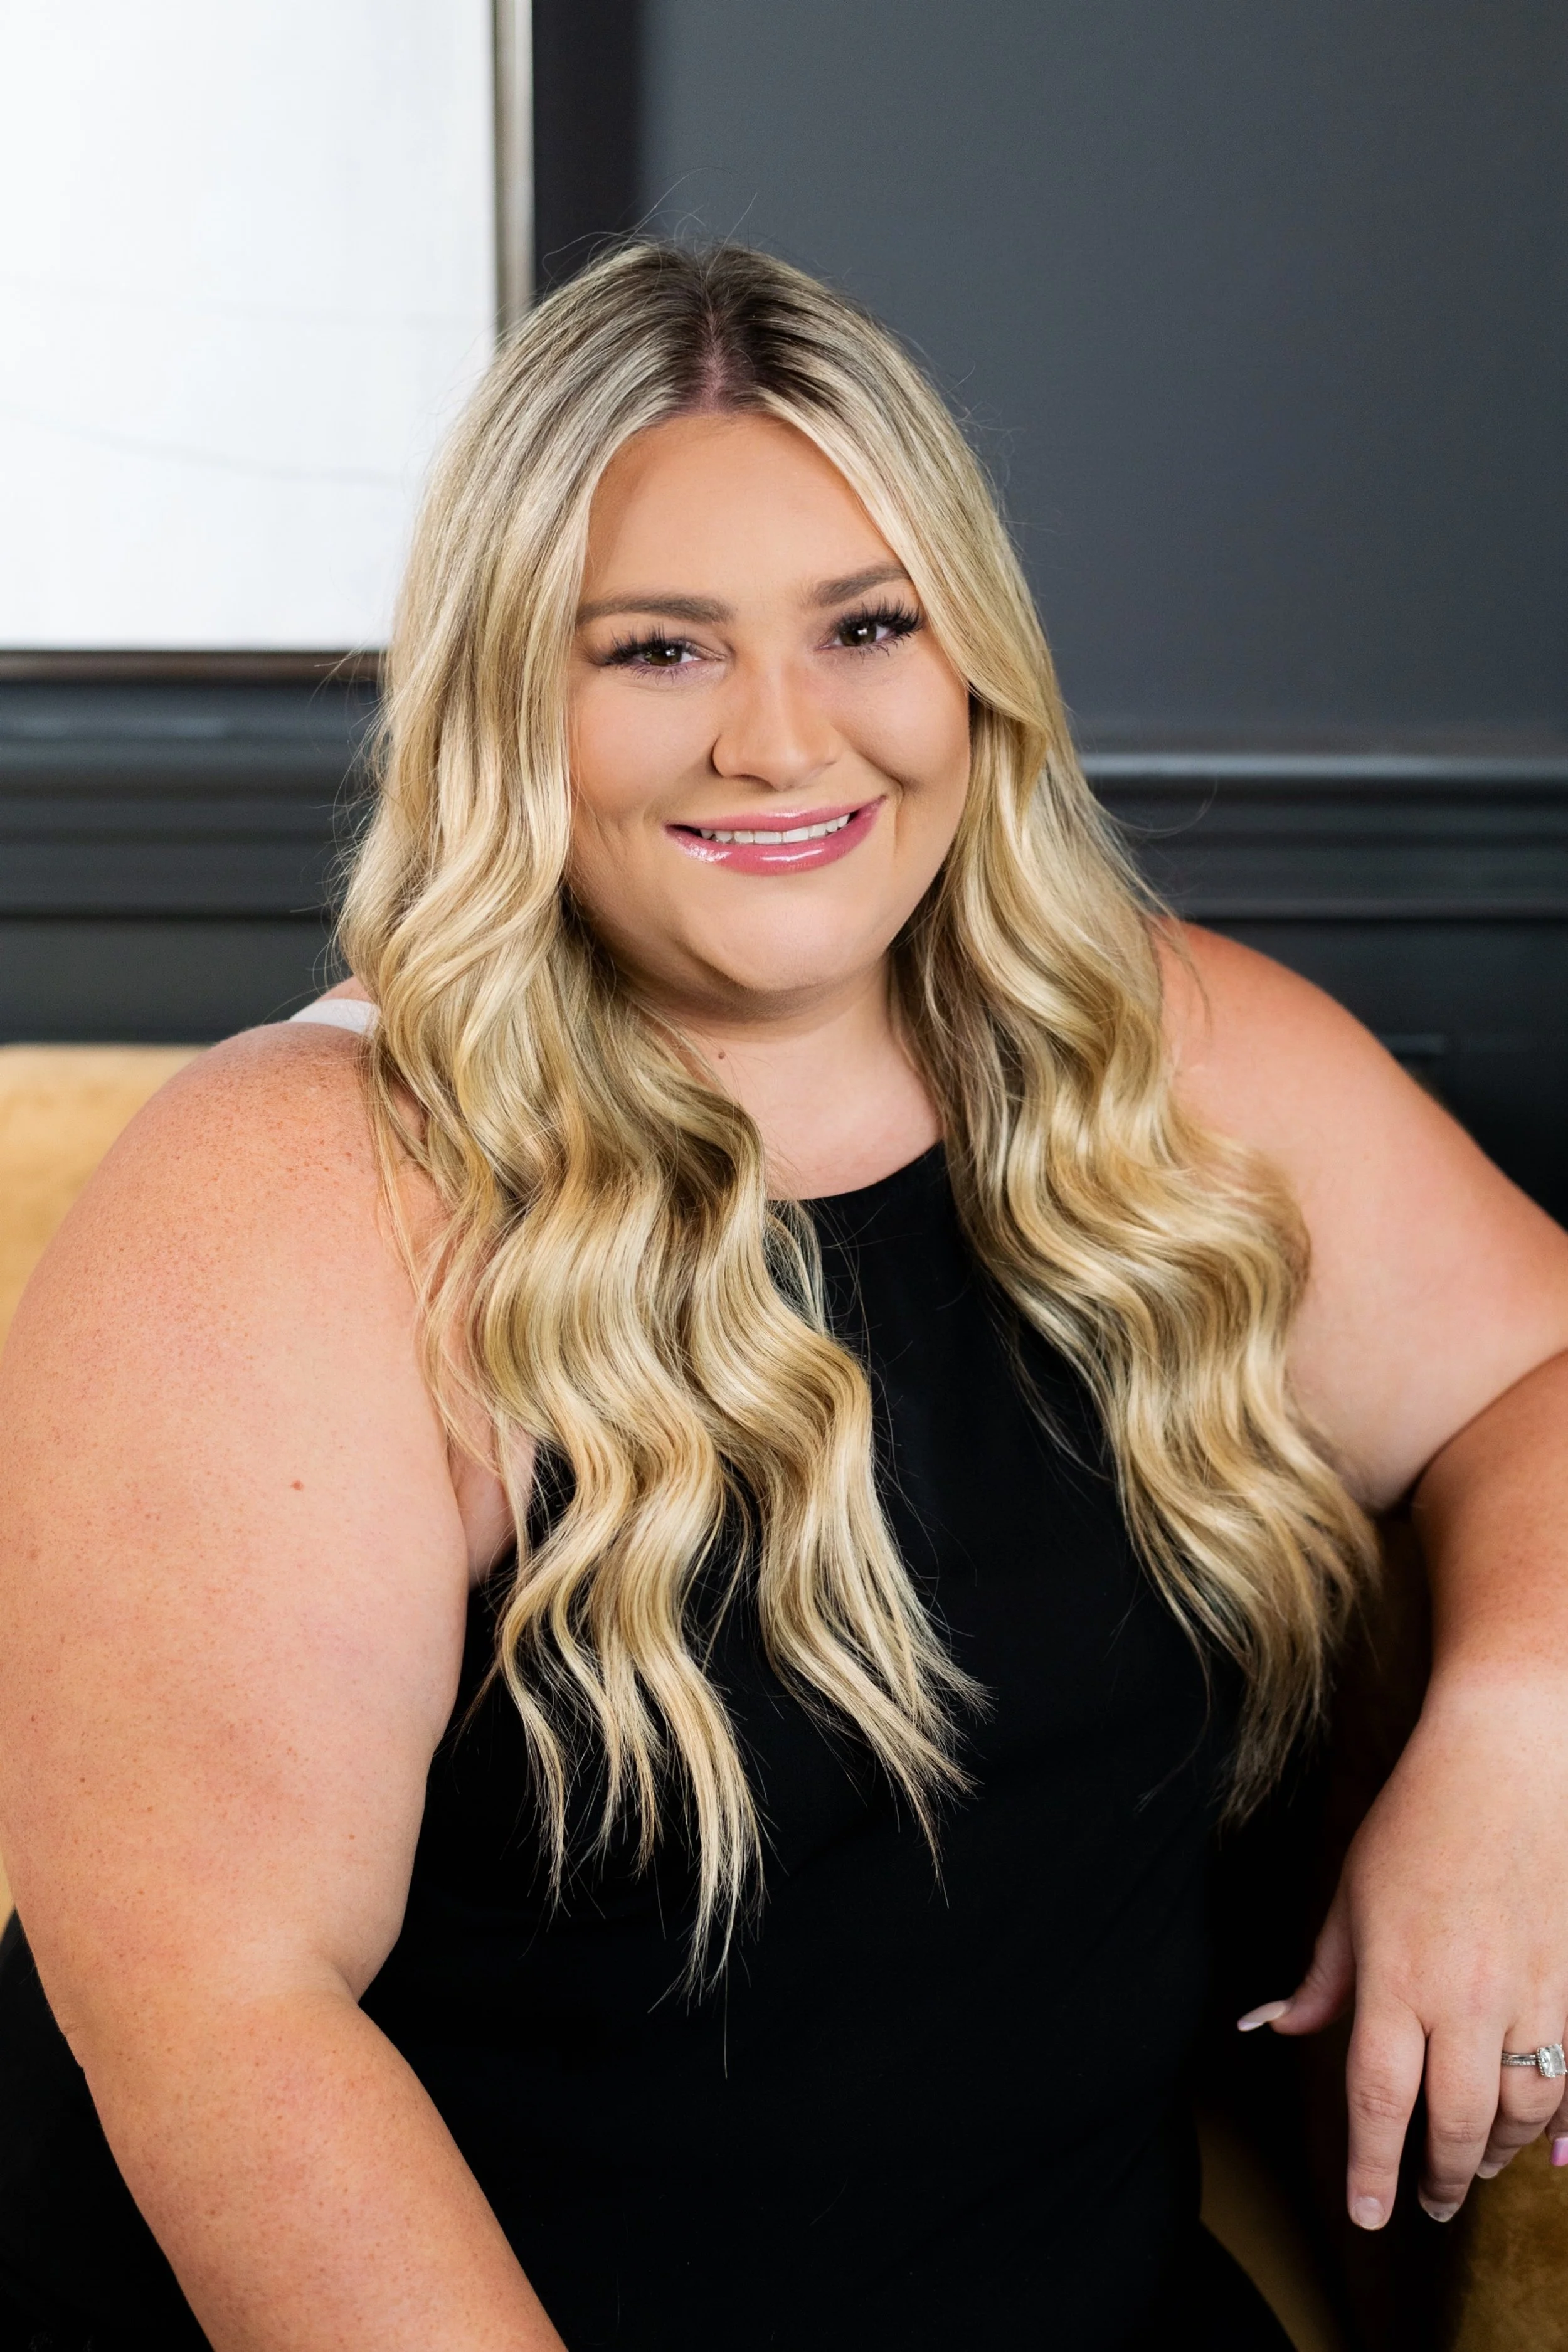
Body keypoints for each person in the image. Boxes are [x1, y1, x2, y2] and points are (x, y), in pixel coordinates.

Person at [1, 243, 1566, 2352]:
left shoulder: (1172, 1065)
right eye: (655, 648)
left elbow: (1533, 1370)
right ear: (505, 694)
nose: (779, 738)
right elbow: (216, 2003)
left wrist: (1515, 1731)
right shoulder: (298, 1191)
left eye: (864, 626)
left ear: (971, 659)